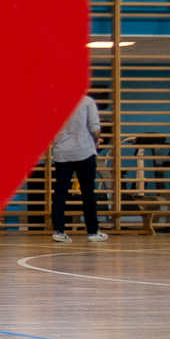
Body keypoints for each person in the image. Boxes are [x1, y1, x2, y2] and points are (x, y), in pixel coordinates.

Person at [50, 92, 106, 243]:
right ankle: (93, 232)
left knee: (60, 192)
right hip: (84, 151)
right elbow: (95, 128)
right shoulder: (87, 101)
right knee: (88, 192)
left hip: (62, 153)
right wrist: (96, 139)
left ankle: (59, 230)